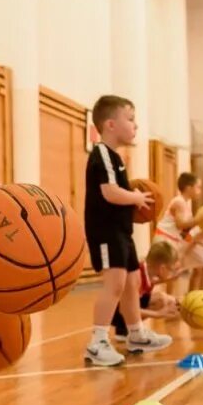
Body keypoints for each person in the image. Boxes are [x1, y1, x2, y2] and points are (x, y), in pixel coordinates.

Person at [83, 95, 173, 366]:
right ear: (110, 124)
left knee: (133, 283)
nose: (136, 126)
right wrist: (136, 198)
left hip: (121, 231)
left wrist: (132, 202)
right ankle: (97, 342)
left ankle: (136, 334)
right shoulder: (102, 154)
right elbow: (109, 192)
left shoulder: (117, 158)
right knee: (116, 284)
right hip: (106, 232)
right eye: (131, 119)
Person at [111, 241, 182, 338]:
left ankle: (126, 329)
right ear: (162, 268)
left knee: (162, 298)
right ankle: (132, 329)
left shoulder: (145, 271)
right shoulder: (137, 277)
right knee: (162, 300)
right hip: (117, 312)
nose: (172, 273)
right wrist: (158, 314)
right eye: (171, 269)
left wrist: (168, 279)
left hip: (119, 308)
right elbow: (126, 308)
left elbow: (147, 285)